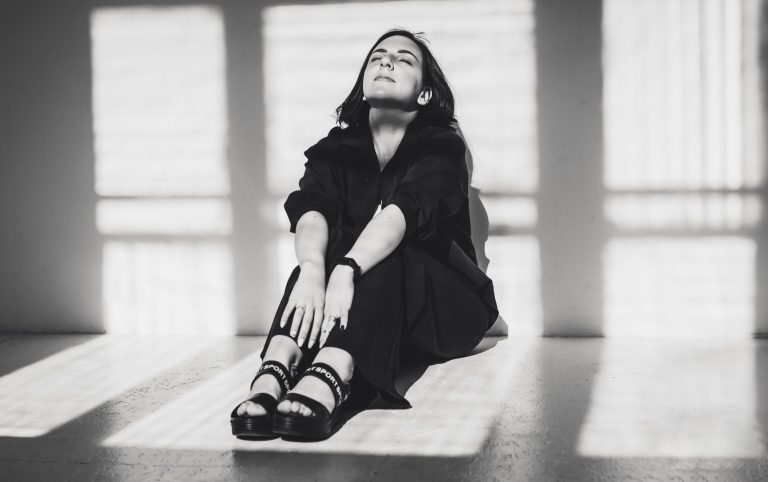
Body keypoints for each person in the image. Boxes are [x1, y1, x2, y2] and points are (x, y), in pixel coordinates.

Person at [230, 28, 499, 440]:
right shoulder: (337, 147)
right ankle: (278, 364)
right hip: (374, 312)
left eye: (404, 59)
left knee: (381, 249)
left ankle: (334, 368)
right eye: (377, 57)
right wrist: (313, 269)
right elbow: (312, 208)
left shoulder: (440, 145)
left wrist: (346, 269)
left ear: (425, 92)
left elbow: (402, 213)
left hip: (447, 309)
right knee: (322, 251)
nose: (386, 61)